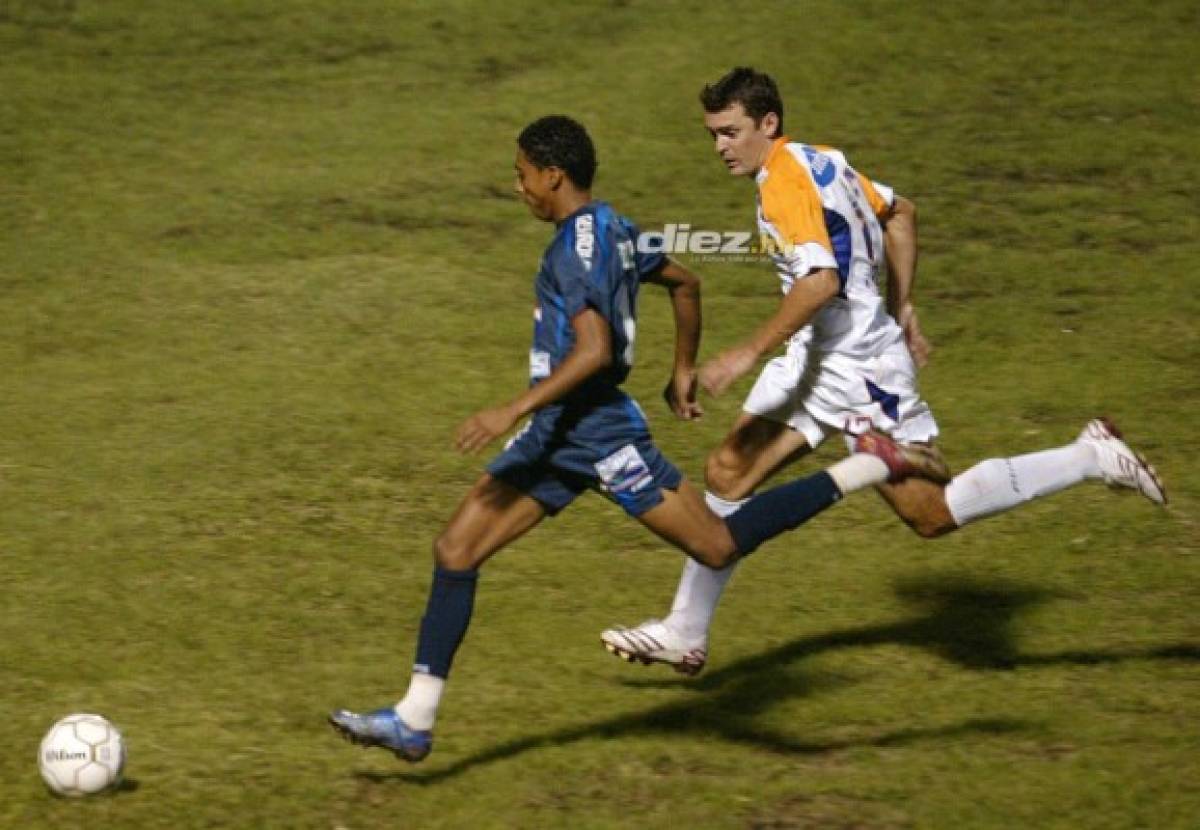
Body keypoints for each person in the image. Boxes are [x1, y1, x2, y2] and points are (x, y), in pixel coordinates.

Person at [327, 115, 947, 763]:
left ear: (553, 175)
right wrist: (681, 369)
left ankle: (868, 466)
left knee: (717, 543)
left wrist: (511, 407)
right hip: (557, 434)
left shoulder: (573, 250)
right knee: (456, 550)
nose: (519, 189)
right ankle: (414, 719)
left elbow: (593, 351)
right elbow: (686, 281)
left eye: (522, 176)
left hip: (596, 433)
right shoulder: (614, 226)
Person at [599, 67, 1167, 676]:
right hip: (817, 360)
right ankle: (685, 632)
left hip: (860, 369)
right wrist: (903, 306)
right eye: (712, 134)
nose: (720, 147)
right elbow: (901, 214)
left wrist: (746, 352)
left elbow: (821, 281)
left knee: (931, 514)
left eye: (731, 132)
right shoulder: (823, 160)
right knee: (728, 469)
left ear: (768, 123)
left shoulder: (783, 185)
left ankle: (1089, 455)